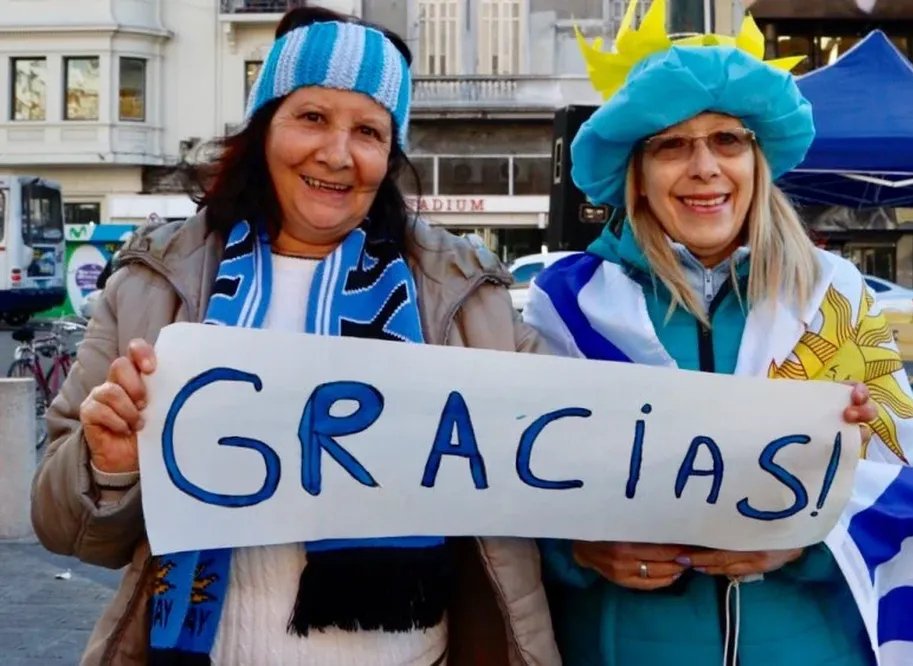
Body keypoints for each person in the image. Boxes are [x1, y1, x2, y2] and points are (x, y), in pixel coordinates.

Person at [30, 7, 559, 666]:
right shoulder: (151, 286)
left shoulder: (463, 295)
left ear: (389, 154)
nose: (337, 154)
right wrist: (107, 464)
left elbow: (579, 454)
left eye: (367, 130)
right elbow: (64, 527)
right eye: (312, 117)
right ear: (263, 129)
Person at [523, 2, 913, 665]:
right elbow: (507, 500)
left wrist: (808, 541)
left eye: (727, 140)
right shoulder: (565, 306)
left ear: (757, 162)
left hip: (806, 647)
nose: (704, 167)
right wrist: (579, 553)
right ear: (637, 179)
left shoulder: (833, 297)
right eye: (671, 144)